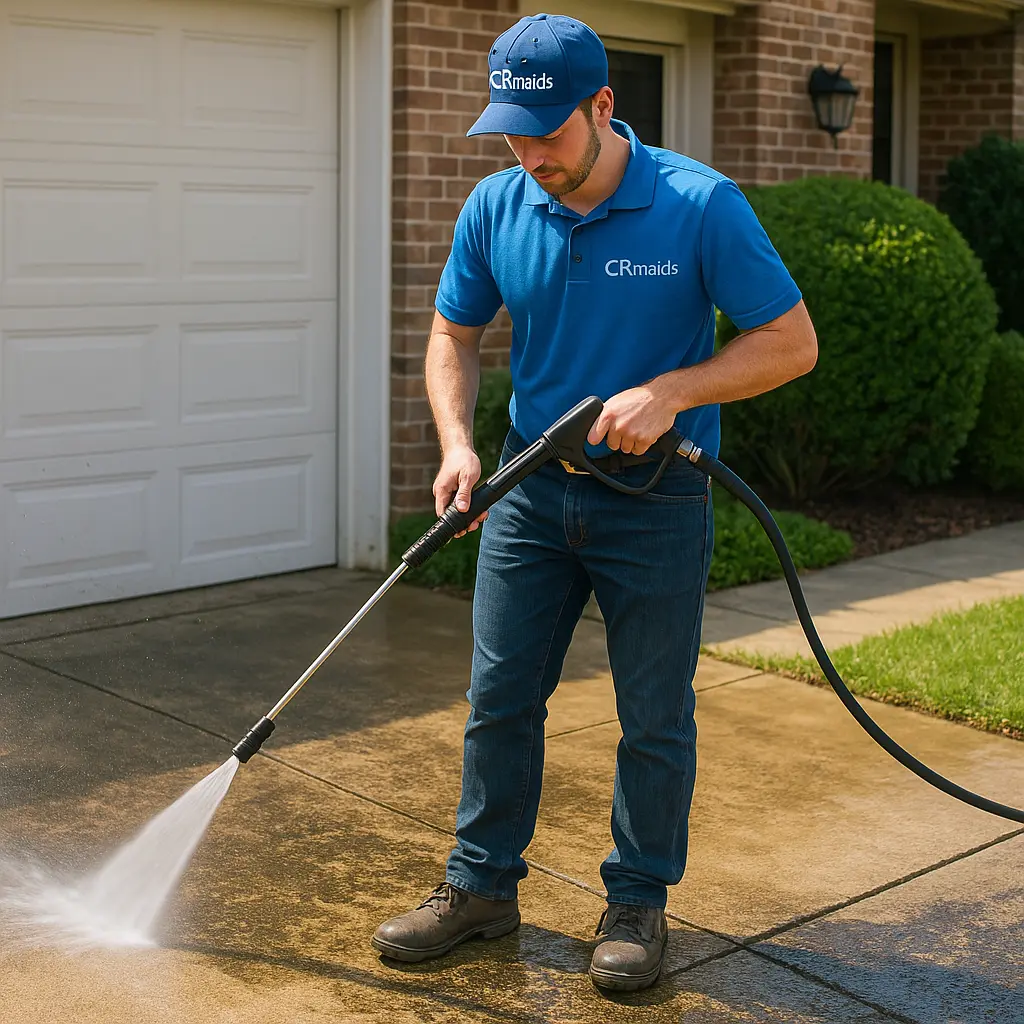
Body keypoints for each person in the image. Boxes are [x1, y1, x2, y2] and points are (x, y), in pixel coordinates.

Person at [372, 12, 817, 992]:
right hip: (531, 497)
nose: (532, 155)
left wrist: (674, 391)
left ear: (604, 106)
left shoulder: (698, 205)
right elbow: (453, 334)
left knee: (652, 713)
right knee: (498, 701)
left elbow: (790, 342)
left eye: (549, 132)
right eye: (513, 135)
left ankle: (636, 902)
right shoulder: (496, 204)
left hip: (655, 502)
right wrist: (456, 445)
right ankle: (480, 887)